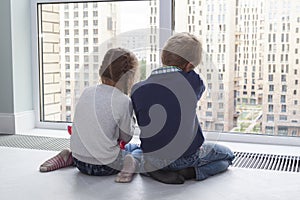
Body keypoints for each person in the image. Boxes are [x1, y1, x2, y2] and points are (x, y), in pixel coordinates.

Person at [130, 32, 235, 184]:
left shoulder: (137, 89)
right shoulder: (193, 82)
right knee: (228, 157)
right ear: (190, 66)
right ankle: (191, 172)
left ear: (163, 57)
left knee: (136, 152)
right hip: (185, 158)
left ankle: (151, 169)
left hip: (153, 157)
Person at [39, 48, 142, 183]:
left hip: (79, 162)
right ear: (129, 78)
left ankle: (69, 156)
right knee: (136, 149)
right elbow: (126, 137)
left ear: (102, 70)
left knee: (93, 147)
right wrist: (131, 119)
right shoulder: (123, 100)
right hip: (107, 166)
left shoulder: (87, 92)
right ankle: (131, 161)